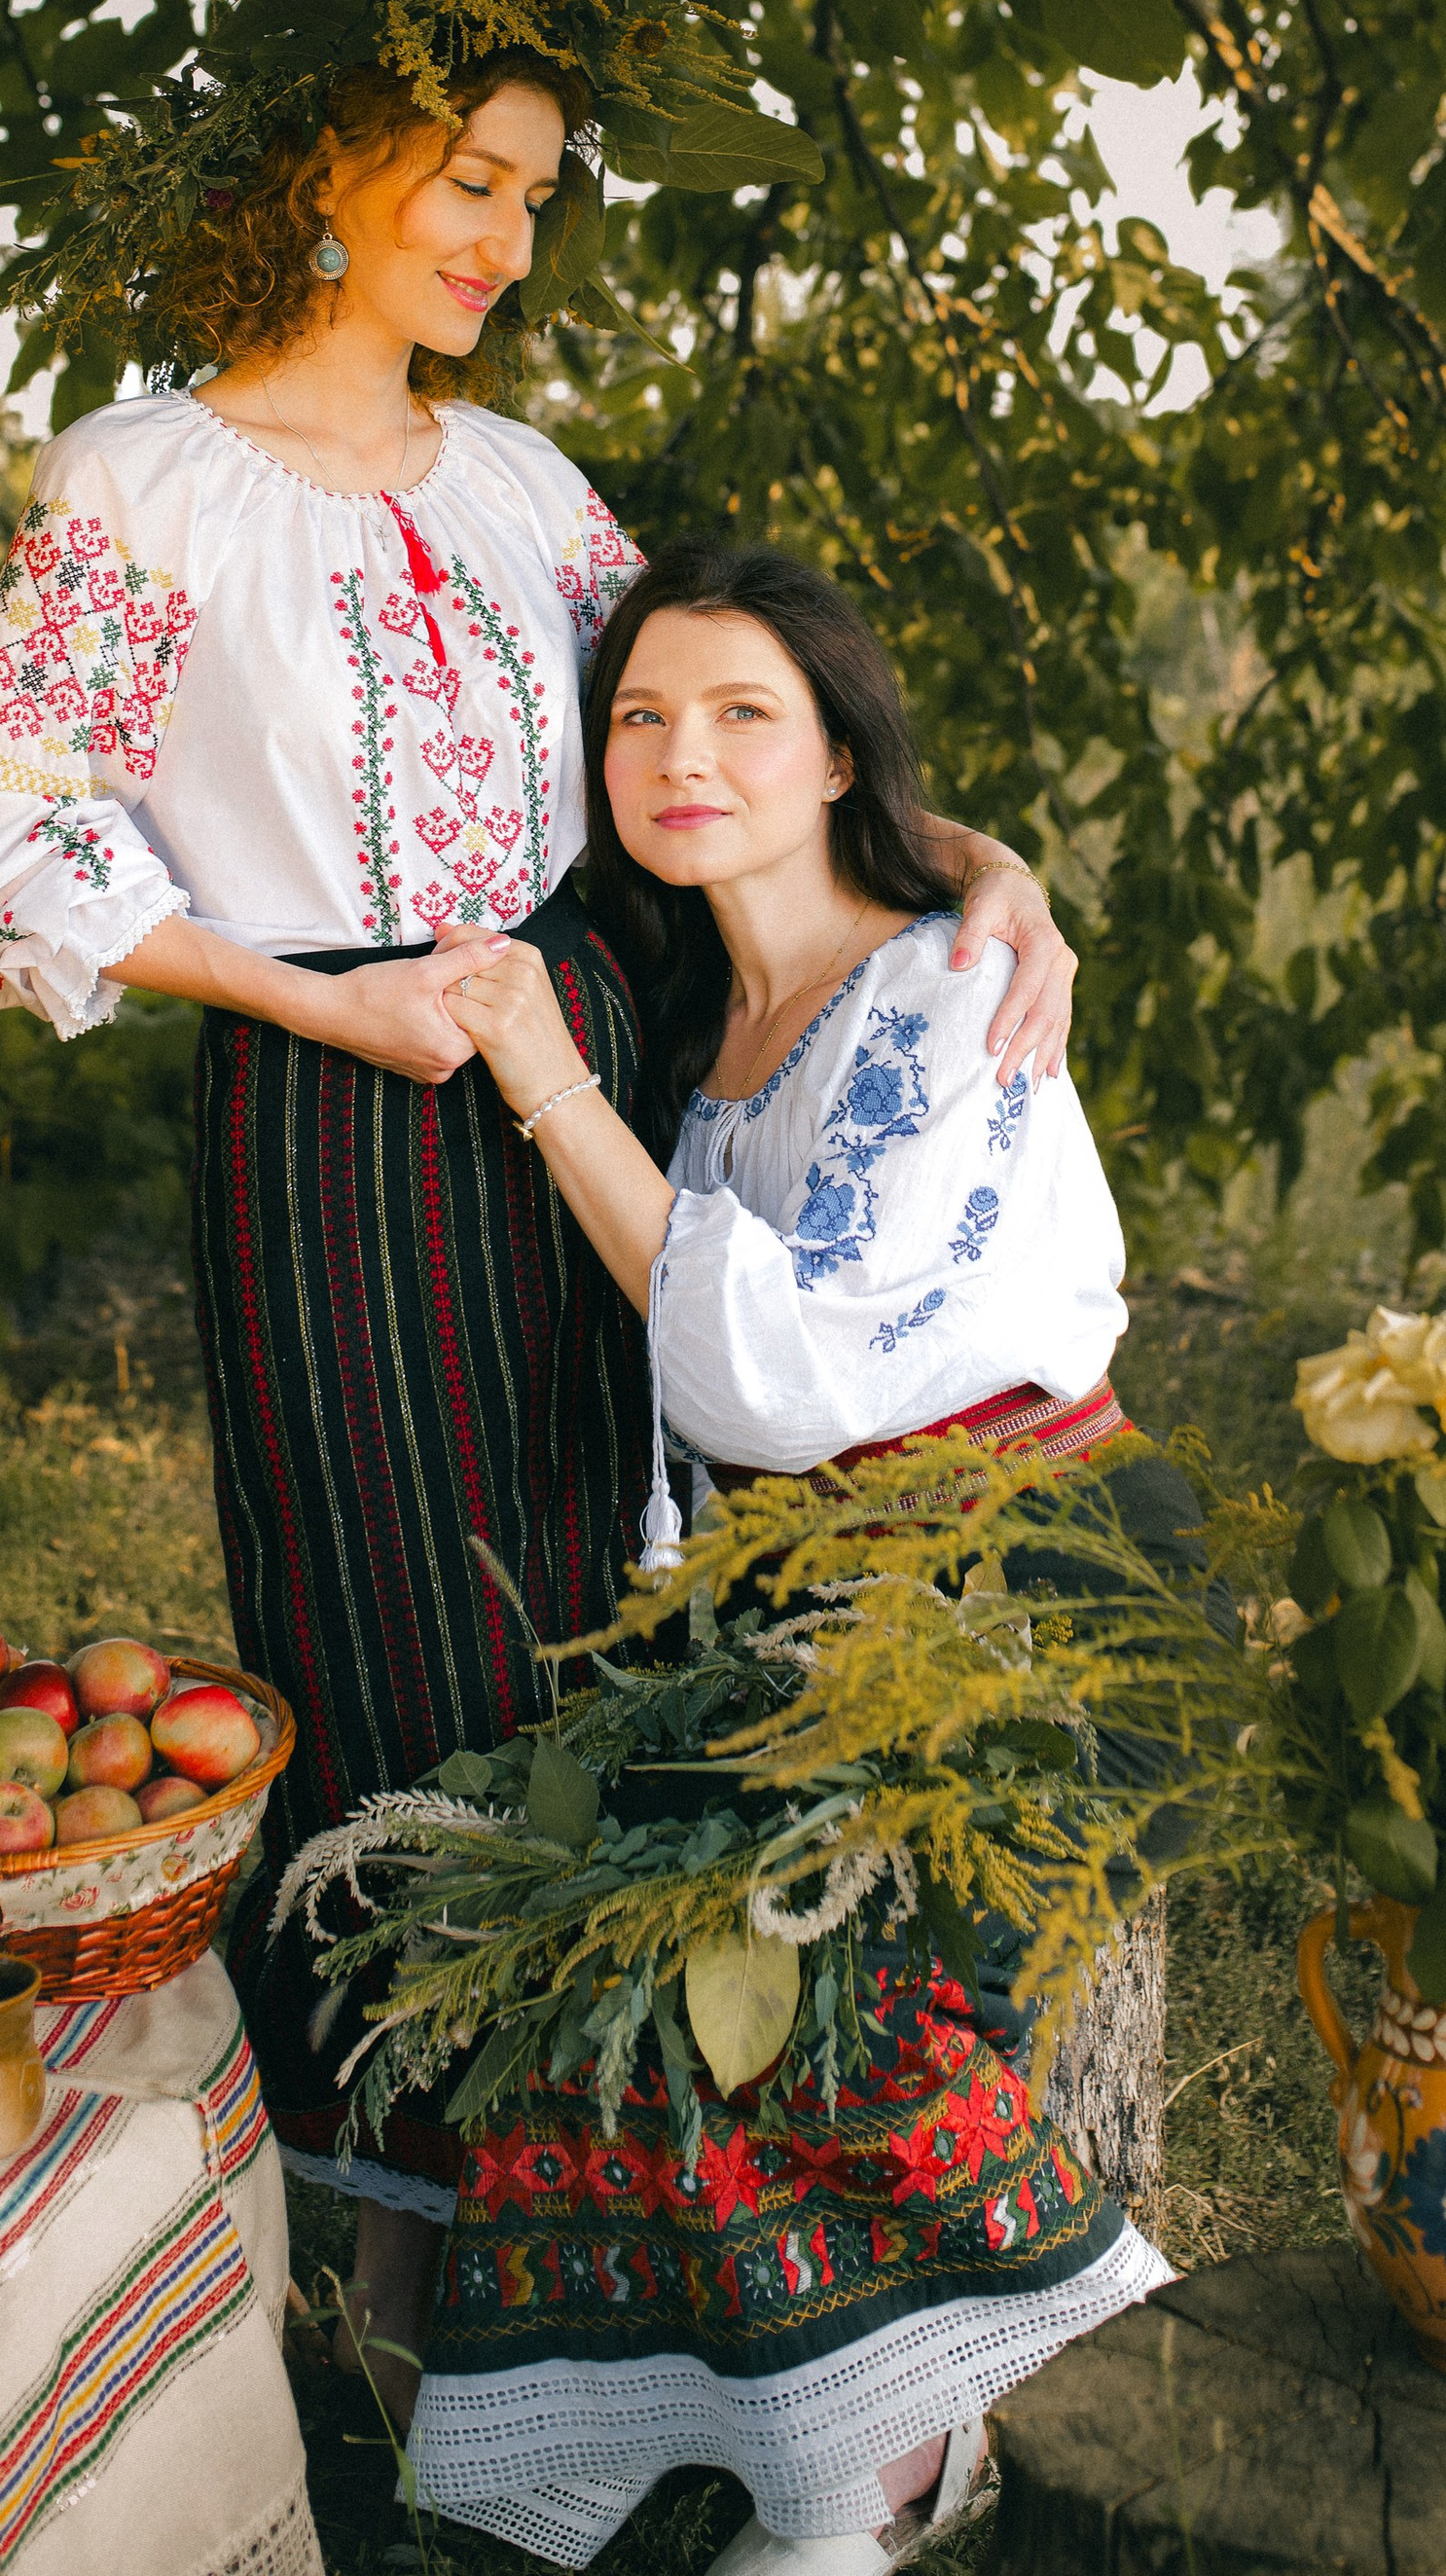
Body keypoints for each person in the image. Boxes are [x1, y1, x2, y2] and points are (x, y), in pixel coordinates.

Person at [0, 0, 1079, 2415]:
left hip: (585, 1047)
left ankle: (663, 2196)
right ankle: (429, 2264)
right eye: (466, 171)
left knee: (620, 1592)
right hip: (330, 1108)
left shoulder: (529, 482)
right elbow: (11, 848)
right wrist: (318, 994)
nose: (503, 233)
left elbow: (712, 732)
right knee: (392, 1624)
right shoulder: (140, 479)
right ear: (324, 162)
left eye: (536, 190)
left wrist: (970, 860)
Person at [410, 537, 1172, 2575]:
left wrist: (547, 1086)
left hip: (1012, 1581)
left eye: (744, 712)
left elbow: (775, 1369)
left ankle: (891, 2458)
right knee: (601, 1960)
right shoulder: (707, 1002)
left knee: (807, 1989)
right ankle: (762, 2412)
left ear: (838, 755)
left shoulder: (933, 992)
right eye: (639, 716)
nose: (678, 755)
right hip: (812, 1587)